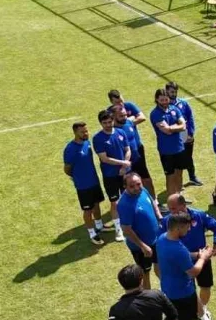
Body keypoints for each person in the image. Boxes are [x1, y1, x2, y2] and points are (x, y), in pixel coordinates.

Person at [155, 212, 215, 320]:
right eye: (187, 228)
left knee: (175, 316)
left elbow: (182, 257)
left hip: (168, 289)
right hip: (183, 293)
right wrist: (203, 258)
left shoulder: (162, 239)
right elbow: (193, 272)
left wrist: (196, 254)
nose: (189, 231)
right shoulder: (178, 249)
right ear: (178, 228)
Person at [164, 193, 216, 320]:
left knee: (205, 286)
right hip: (183, 263)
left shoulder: (199, 215)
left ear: (184, 206)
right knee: (187, 293)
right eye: (170, 209)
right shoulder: (167, 222)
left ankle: (202, 310)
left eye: (174, 209)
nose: (171, 212)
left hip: (203, 258)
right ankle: (198, 315)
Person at [63, 121, 108, 245]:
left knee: (97, 203)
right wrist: (77, 177)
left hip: (94, 181)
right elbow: (67, 168)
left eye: (86, 131)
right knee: (87, 210)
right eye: (82, 132)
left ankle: (99, 225)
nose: (86, 133)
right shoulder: (70, 149)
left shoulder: (87, 143)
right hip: (83, 186)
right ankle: (92, 234)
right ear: (75, 132)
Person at [118, 173, 163, 288]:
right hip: (140, 247)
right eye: (132, 186)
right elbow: (126, 230)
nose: (136, 188)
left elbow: (153, 203)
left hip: (155, 239)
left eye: (138, 184)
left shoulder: (143, 191)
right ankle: (147, 299)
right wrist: (143, 246)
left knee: (160, 265)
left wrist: (160, 217)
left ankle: (168, 291)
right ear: (125, 187)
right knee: (145, 273)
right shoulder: (124, 204)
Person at [92, 110, 131, 243]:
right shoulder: (97, 138)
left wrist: (124, 167)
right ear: (101, 123)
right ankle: (118, 229)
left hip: (124, 173)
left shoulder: (121, 132)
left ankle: (130, 224)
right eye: (105, 123)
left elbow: (128, 149)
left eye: (110, 122)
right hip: (110, 176)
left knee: (129, 198)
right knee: (115, 202)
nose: (108, 125)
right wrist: (123, 163)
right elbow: (104, 158)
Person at [149, 88, 188, 200]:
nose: (165, 102)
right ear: (157, 99)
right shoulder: (155, 113)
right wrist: (176, 127)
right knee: (170, 177)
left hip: (179, 148)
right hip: (166, 150)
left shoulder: (174, 109)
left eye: (166, 99)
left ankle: (179, 197)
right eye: (162, 100)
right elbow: (166, 131)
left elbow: (183, 126)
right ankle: (172, 200)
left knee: (179, 174)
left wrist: (171, 128)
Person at [112, 103, 155, 197]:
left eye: (125, 115)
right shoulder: (113, 131)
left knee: (146, 179)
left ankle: (154, 201)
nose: (124, 117)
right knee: (128, 185)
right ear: (113, 116)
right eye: (121, 116)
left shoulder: (129, 122)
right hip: (126, 162)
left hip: (138, 157)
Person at [165, 82, 202, 188]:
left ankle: (192, 177)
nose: (174, 93)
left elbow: (190, 118)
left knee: (189, 157)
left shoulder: (183, 103)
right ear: (166, 91)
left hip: (186, 134)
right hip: (174, 136)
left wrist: (191, 133)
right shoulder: (165, 106)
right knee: (177, 160)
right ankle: (177, 183)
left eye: (175, 91)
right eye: (171, 91)